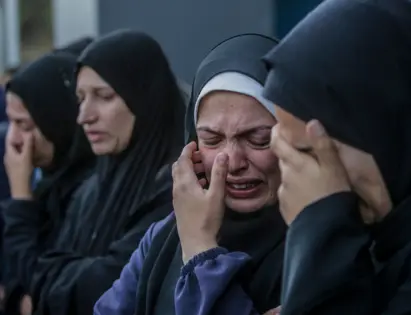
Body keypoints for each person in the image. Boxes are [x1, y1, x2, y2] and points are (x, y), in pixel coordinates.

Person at [262, 0, 411, 314]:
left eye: (310, 153)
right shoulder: (394, 231)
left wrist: (320, 228)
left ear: (387, 128)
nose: (301, 177)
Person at [94, 33, 286, 315]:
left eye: (258, 138)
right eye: (211, 139)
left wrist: (200, 249)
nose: (232, 162)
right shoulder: (165, 236)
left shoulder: (321, 255)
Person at [6, 29, 186, 315]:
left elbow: (103, 285)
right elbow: (45, 272)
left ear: (143, 98)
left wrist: (52, 283)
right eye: (80, 98)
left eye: (103, 96)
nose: (84, 116)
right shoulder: (92, 188)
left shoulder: (176, 188)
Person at [1, 51, 95, 315]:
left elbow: (45, 285)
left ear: (55, 122)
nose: (15, 139)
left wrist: (20, 196)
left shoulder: (88, 192)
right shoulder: (51, 186)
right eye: (11, 123)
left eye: (25, 125)